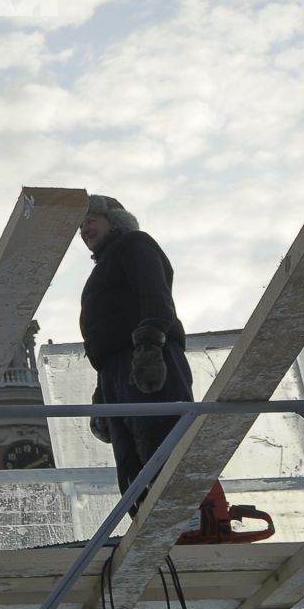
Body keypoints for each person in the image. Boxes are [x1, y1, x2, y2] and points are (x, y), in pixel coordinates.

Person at [78, 194, 192, 509]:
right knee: (131, 461)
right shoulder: (105, 265)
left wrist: (151, 344)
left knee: (160, 443)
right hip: (118, 370)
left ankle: (183, 518)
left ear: (115, 220)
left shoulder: (135, 246)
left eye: (91, 219)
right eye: (81, 224)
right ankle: (142, 519)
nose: (84, 228)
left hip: (146, 359)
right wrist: (104, 386)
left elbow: (155, 293)